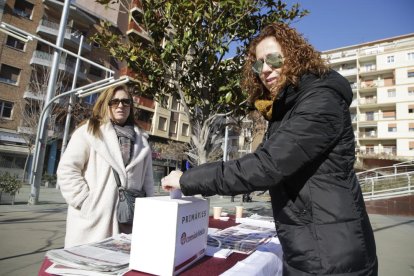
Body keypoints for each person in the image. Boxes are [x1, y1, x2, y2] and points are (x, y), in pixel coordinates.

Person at [162, 22, 377, 275]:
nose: (265, 69)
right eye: (258, 64)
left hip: (332, 257)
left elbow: (265, 166)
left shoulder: (321, 100)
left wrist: (188, 178)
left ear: (295, 56)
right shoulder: (287, 108)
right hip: (310, 248)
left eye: (273, 59)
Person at [57, 84, 154, 248]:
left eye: (125, 101)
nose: (121, 105)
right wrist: (86, 202)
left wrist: (149, 210)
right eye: (114, 101)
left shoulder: (142, 139)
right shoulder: (89, 131)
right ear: (105, 104)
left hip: (129, 219)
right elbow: (67, 170)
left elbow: (148, 180)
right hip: (93, 221)